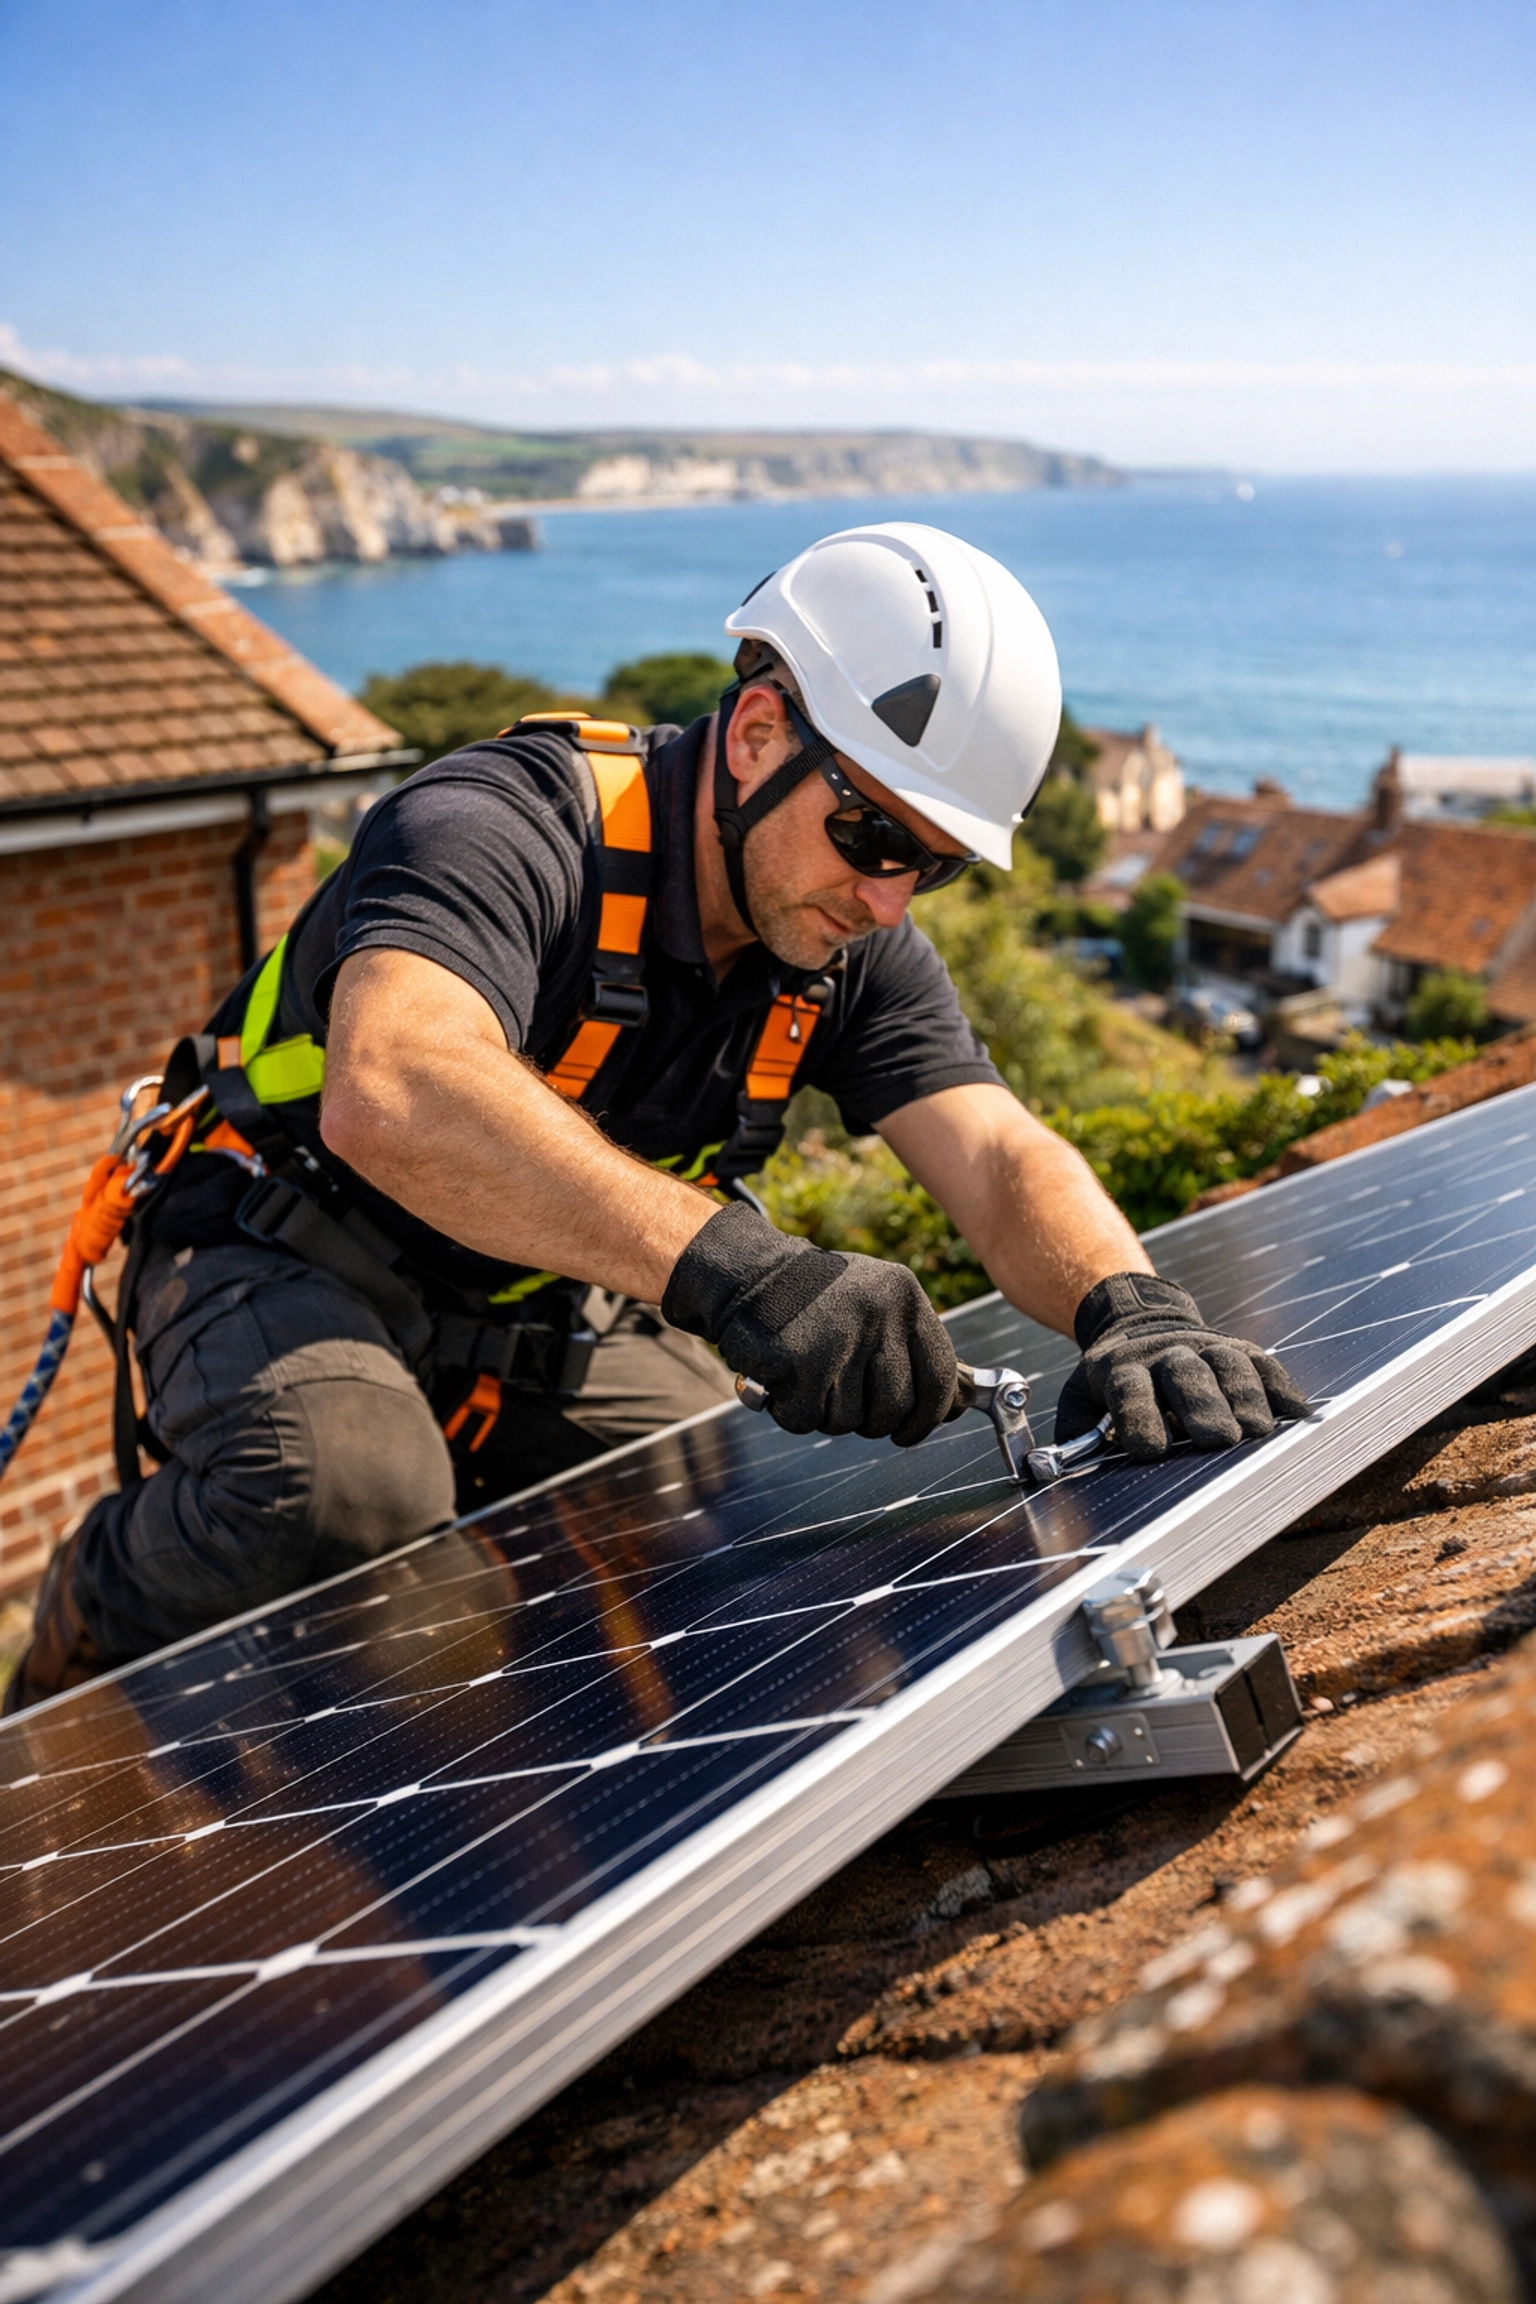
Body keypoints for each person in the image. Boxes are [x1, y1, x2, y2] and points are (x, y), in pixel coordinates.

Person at [8, 523, 1307, 1711]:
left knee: (730, 1496)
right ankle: (81, 1626)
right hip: (276, 1242)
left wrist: (1131, 1307)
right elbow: (392, 1087)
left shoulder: (843, 941)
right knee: (347, 1494)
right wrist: (734, 1267)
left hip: (536, 1303)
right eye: (866, 831)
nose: (889, 897)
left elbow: (995, 1147)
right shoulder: (499, 827)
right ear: (754, 736)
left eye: (936, 863)